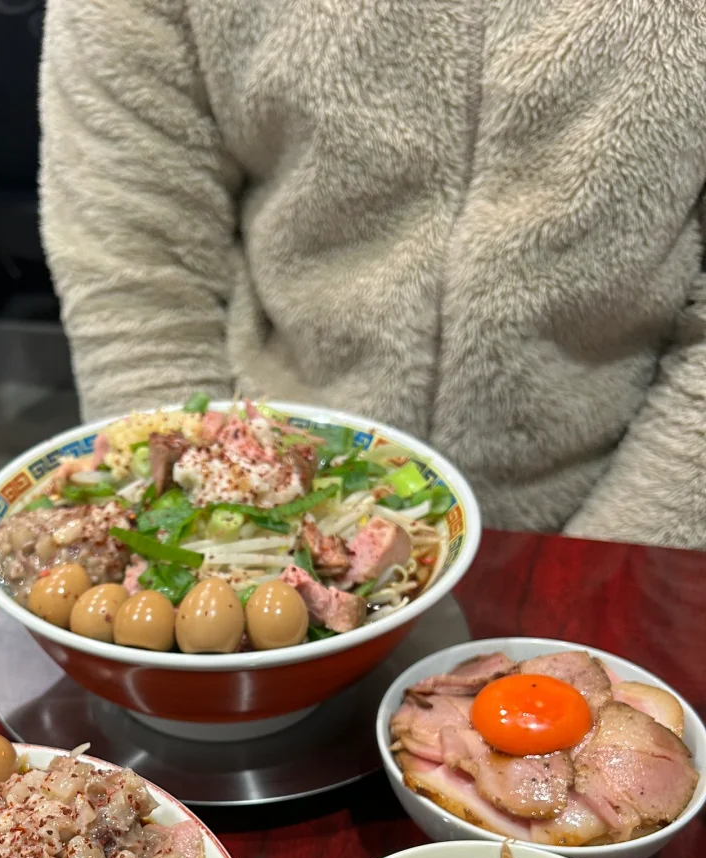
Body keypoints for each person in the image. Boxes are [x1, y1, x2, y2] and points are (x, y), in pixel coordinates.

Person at [39, 0, 706, 549]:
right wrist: (202, 536)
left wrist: (621, 562)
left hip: (616, 503)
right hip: (262, 495)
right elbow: (137, 264)